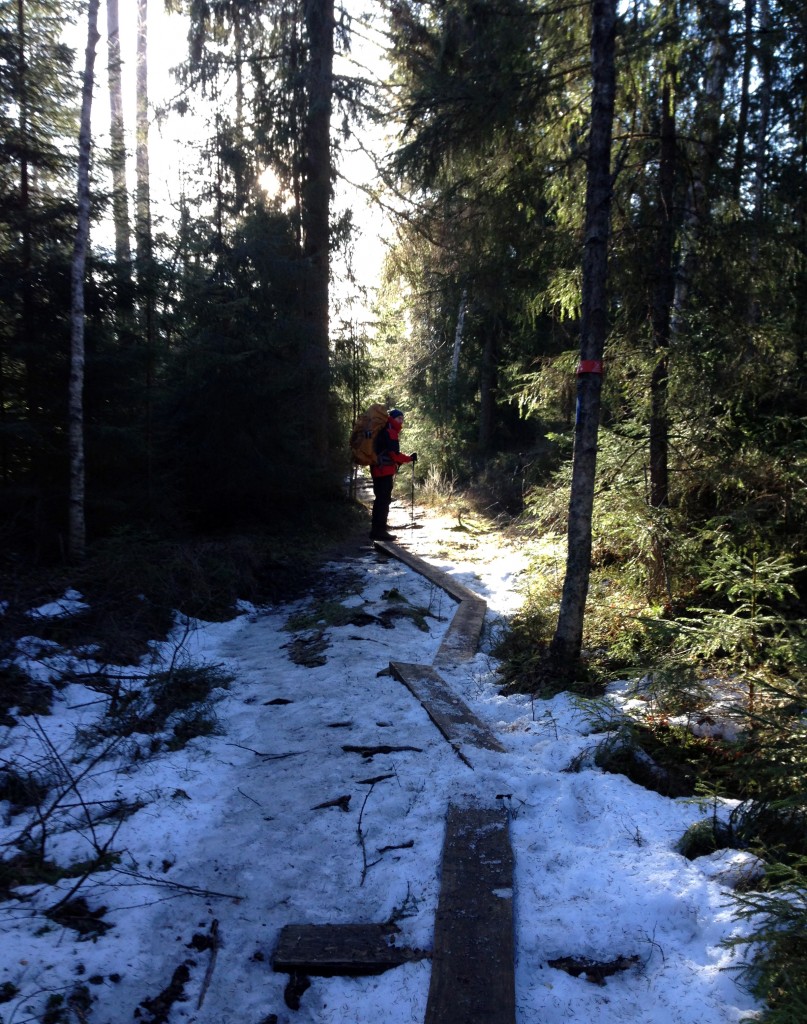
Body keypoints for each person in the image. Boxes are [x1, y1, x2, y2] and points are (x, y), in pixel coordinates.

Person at [369, 409, 417, 541]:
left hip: (377, 469)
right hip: (383, 470)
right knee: (383, 501)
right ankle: (380, 531)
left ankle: (376, 530)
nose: (401, 421)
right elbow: (394, 454)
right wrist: (409, 459)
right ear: (392, 418)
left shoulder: (383, 430)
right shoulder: (390, 432)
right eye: (398, 418)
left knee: (380, 500)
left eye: (402, 418)